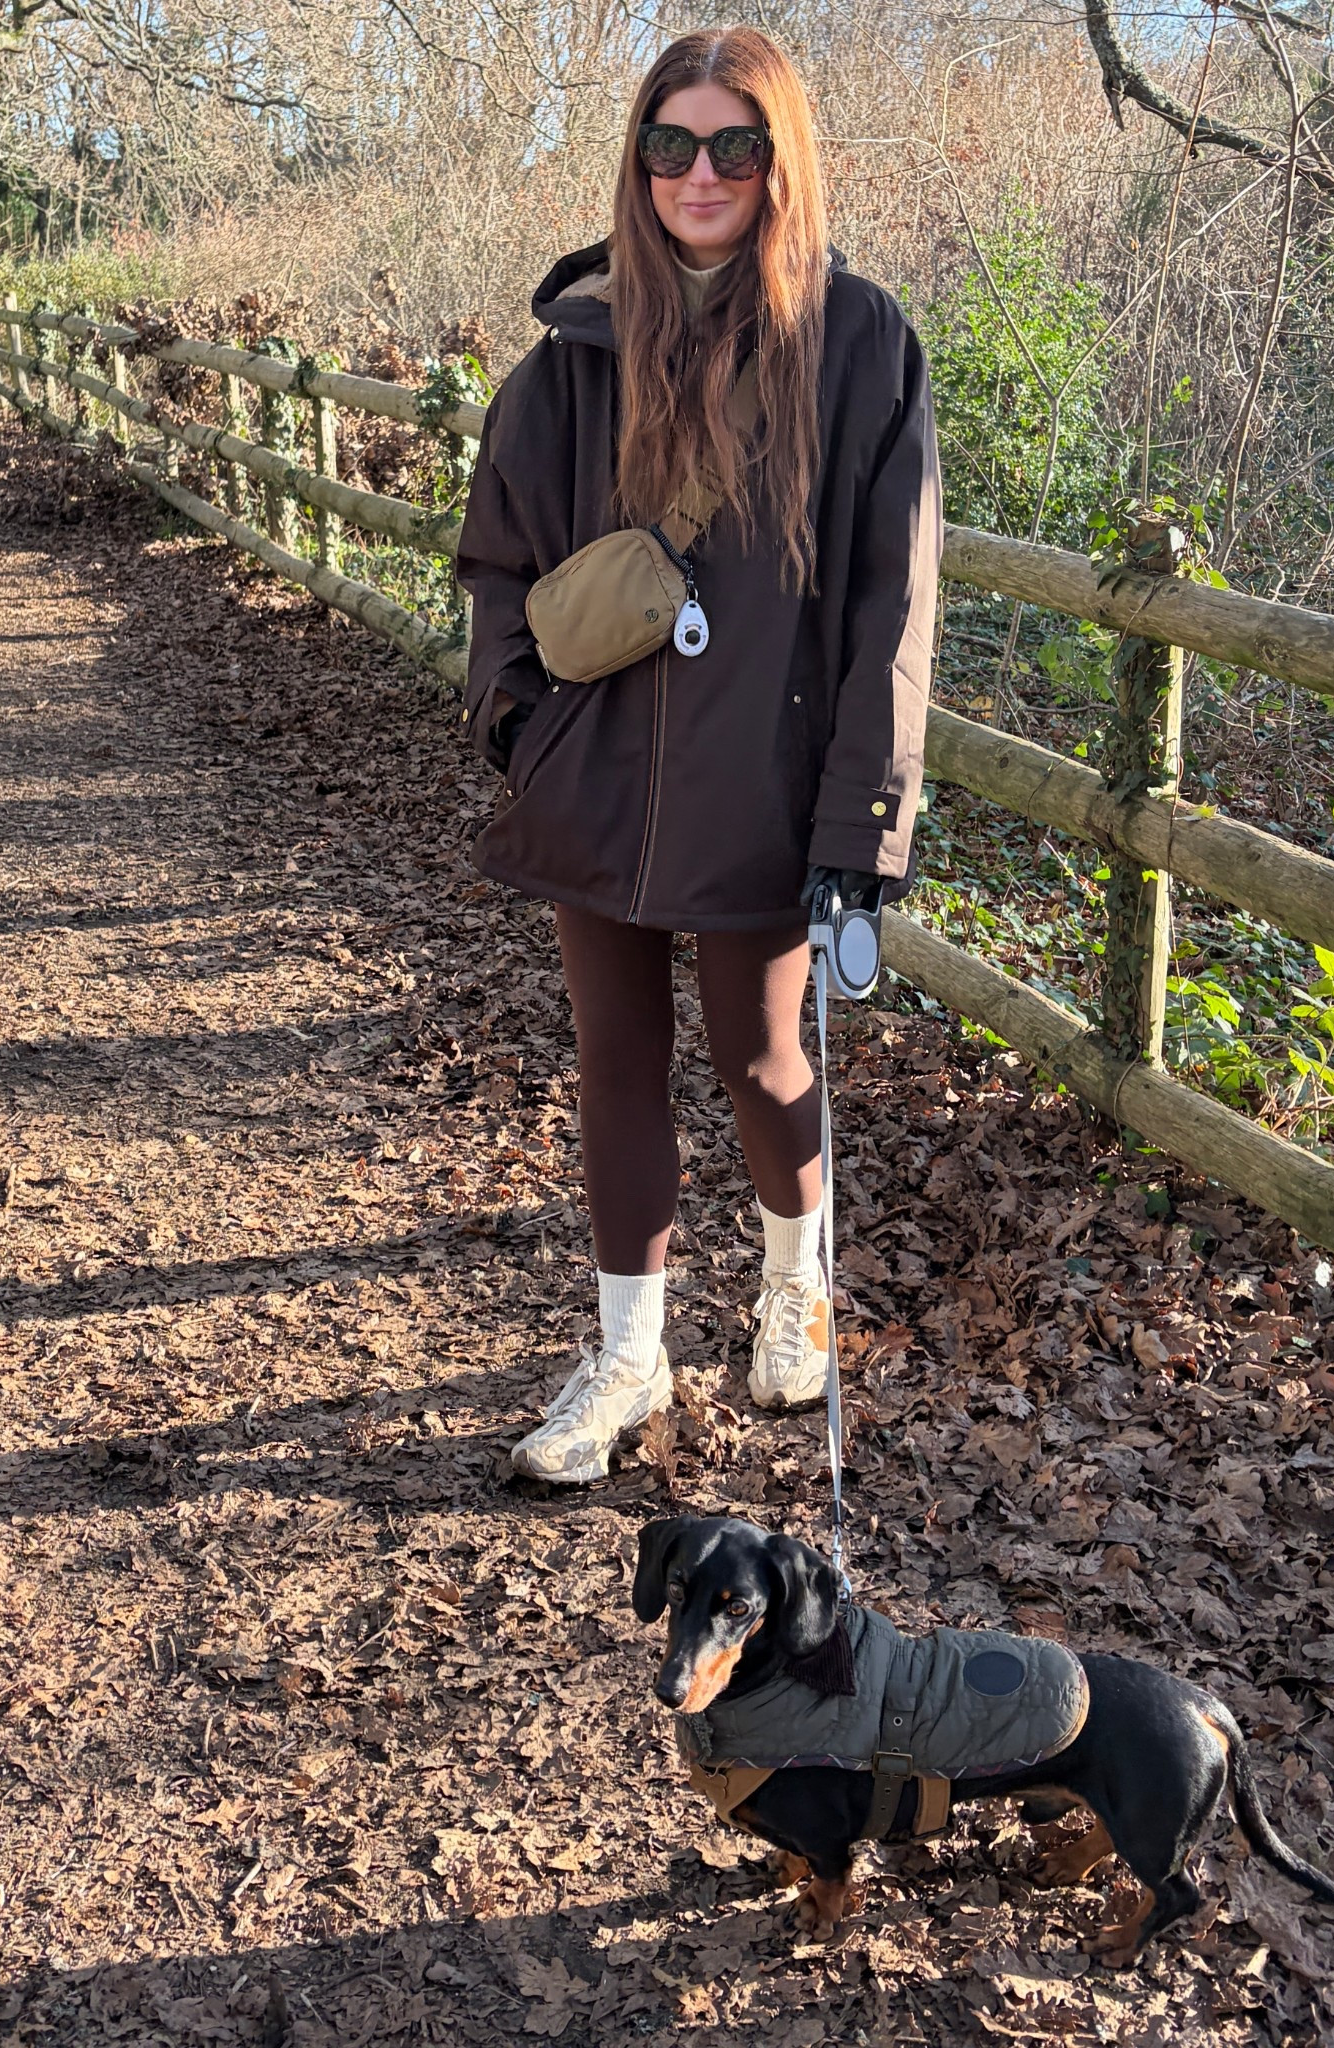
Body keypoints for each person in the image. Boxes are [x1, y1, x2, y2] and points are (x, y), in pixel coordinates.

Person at [453, 25, 940, 1485]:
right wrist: (520, 726)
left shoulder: (859, 347)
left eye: (736, 144)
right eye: (672, 145)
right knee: (616, 1066)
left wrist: (861, 822)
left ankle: (795, 1293)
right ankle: (627, 1357)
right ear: (640, 162)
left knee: (763, 1058)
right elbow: (495, 561)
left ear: (781, 158)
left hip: (765, 784)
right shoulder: (573, 357)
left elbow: (892, 606)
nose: (702, 173)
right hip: (596, 774)